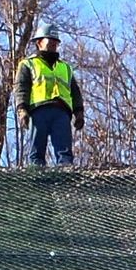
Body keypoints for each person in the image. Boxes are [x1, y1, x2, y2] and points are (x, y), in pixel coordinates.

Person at [13, 21, 84, 166]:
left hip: (62, 111)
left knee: (64, 151)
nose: (53, 44)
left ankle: (65, 176)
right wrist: (22, 109)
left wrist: (79, 112)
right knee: (36, 150)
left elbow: (75, 92)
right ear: (39, 42)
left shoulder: (65, 67)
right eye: (49, 40)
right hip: (39, 110)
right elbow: (21, 87)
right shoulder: (28, 64)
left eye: (55, 41)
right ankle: (36, 178)